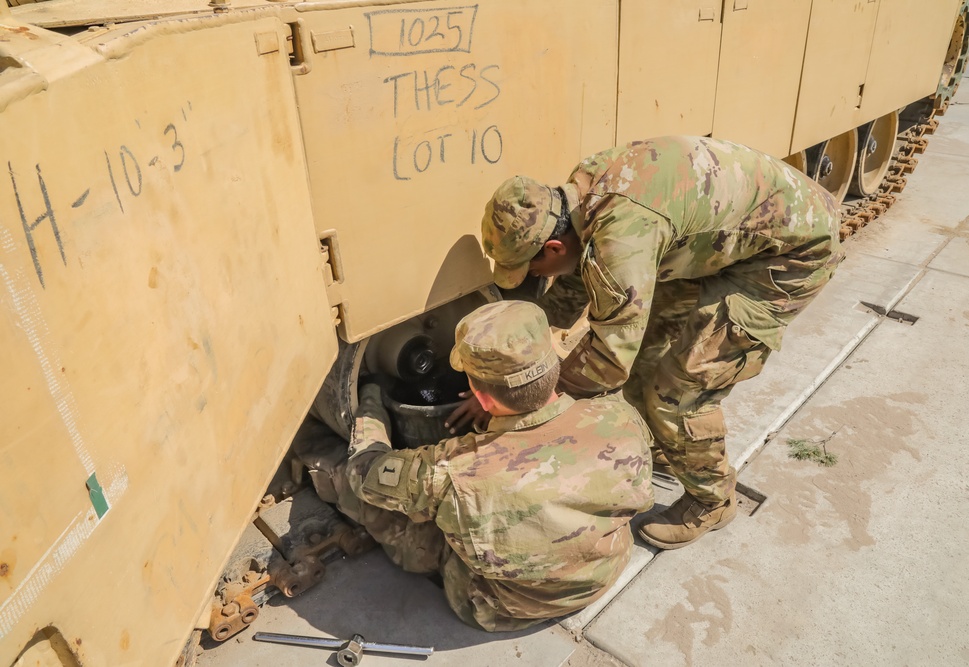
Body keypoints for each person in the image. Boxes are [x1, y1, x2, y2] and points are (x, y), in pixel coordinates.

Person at [474, 136, 845, 550]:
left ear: (554, 245)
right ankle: (670, 448)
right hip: (720, 242)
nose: (534, 279)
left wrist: (520, 396)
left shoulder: (623, 237)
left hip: (791, 252)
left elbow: (608, 361)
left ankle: (712, 500)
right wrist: (507, 365)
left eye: (532, 269)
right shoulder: (577, 200)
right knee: (647, 356)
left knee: (679, 391)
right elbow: (574, 286)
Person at [310, 300, 654, 631]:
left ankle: (315, 458)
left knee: (378, 503)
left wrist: (371, 400)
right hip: (605, 570)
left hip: (503, 607)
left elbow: (366, 471)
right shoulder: (620, 417)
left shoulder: (455, 472)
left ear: (483, 397)